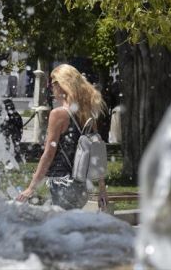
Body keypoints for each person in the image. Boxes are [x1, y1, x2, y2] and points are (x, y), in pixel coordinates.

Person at [16, 64, 108, 210]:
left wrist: (31, 188)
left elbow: (48, 154)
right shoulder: (87, 114)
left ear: (61, 85)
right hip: (81, 188)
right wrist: (102, 190)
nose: (51, 88)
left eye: (52, 84)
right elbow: (98, 151)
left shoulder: (58, 114)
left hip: (62, 186)